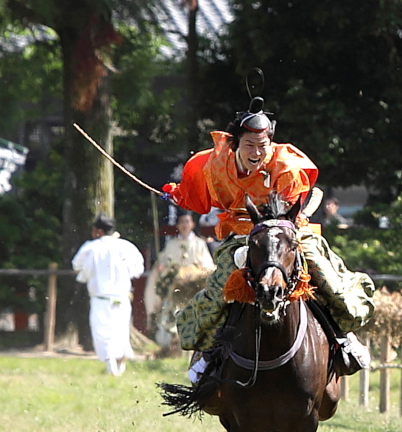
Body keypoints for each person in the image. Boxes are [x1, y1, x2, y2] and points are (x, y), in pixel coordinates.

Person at [161, 96, 374, 374]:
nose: (257, 152)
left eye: (263, 146)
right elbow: (193, 190)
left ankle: (345, 335)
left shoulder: (285, 165)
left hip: (287, 231)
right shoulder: (214, 163)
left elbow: (287, 215)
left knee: (323, 272)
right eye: (250, 145)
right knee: (220, 285)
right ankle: (210, 351)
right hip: (240, 234)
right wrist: (175, 194)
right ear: (235, 143)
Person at [72, 214, 145, 377]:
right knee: (120, 331)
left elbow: (76, 266)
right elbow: (138, 269)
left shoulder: (90, 247)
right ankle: (118, 368)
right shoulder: (126, 246)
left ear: (98, 231)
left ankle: (113, 368)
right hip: (122, 297)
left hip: (101, 298)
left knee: (103, 333)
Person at [144, 212, 216, 350]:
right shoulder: (171, 244)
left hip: (193, 288)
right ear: (177, 225)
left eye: (187, 222)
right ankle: (171, 344)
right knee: (170, 313)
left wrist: (193, 273)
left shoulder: (199, 244)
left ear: (192, 224)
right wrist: (162, 266)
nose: (184, 225)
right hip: (174, 290)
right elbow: (164, 261)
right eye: (182, 222)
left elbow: (208, 265)